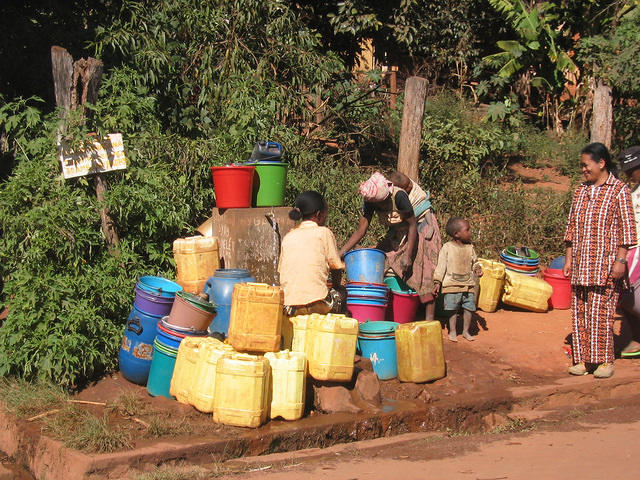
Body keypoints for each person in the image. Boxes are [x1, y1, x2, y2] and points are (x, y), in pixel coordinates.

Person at [563, 142, 637, 378]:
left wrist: (620, 260)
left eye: (586, 165)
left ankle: (604, 361)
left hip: (605, 264)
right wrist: (568, 259)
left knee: (601, 313)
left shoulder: (619, 190)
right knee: (580, 312)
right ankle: (583, 361)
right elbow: (572, 228)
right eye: (581, 166)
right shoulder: (581, 191)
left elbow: (627, 230)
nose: (583, 170)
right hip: (581, 265)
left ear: (601, 163)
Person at [340, 172, 438, 319]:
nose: (380, 206)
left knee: (422, 269)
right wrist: (342, 252)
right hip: (398, 230)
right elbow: (361, 230)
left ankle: (428, 318)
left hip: (419, 227)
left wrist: (408, 255)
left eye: (383, 203)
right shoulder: (370, 200)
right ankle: (391, 306)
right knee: (382, 260)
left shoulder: (399, 197)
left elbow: (412, 225)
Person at [278, 191, 345, 315]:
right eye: (326, 214)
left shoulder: (288, 237)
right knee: (341, 293)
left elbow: (282, 272)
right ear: (319, 214)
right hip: (317, 303)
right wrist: (336, 286)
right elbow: (336, 268)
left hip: (289, 307)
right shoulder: (324, 233)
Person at [387, 171, 443, 320]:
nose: (410, 187)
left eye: (409, 185)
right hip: (407, 232)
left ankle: (429, 317)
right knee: (390, 258)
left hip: (426, 232)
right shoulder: (397, 197)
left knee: (426, 271)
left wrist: (429, 228)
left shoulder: (416, 194)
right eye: (406, 188)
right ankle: (403, 303)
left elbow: (426, 210)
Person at [432, 217, 482, 342]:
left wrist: (478, 269)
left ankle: (465, 331)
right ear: (456, 234)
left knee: (469, 308)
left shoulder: (470, 248)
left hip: (468, 285)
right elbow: (441, 266)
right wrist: (437, 281)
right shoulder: (447, 248)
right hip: (452, 285)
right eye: (467, 230)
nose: (470, 232)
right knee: (452, 309)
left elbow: (475, 262)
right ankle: (452, 331)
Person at [617, 146, 640, 357]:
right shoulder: (632, 191)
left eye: (632, 170)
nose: (629, 174)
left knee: (625, 291)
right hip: (632, 248)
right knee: (623, 291)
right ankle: (637, 337)